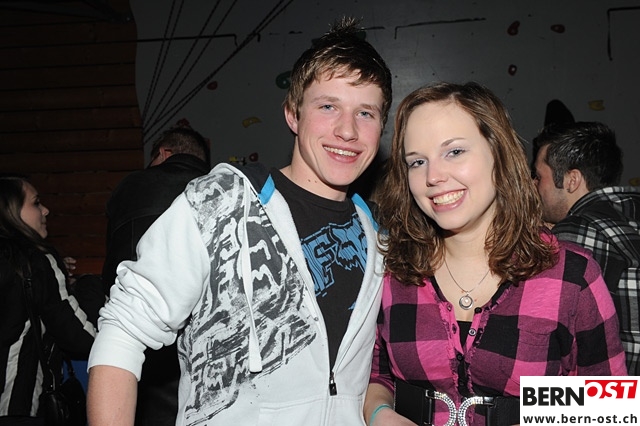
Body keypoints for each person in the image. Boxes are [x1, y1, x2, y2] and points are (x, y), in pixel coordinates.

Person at [87, 16, 392, 426]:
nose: (348, 131)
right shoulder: (223, 202)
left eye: (366, 113)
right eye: (328, 106)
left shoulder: (378, 236)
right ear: (293, 114)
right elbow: (124, 330)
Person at [364, 82, 627, 426]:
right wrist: (381, 414)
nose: (433, 176)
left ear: (498, 154)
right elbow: (376, 376)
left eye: (454, 151)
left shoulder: (570, 274)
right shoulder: (394, 271)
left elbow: (607, 407)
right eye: (417, 161)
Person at [101, 126, 211, 426]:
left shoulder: (132, 185)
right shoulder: (218, 189)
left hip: (141, 330)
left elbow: (113, 269)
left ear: (163, 153)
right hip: (205, 339)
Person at [532, 121, 640, 375]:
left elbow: (538, 334)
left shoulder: (579, 230)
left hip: (619, 394)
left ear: (572, 180)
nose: (533, 185)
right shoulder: (630, 210)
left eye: (538, 176)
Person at [0, 176, 97, 423]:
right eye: (36, 203)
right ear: (10, 210)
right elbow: (80, 337)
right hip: (15, 405)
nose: (45, 210)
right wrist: (90, 289)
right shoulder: (36, 261)